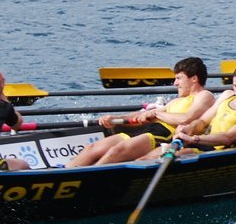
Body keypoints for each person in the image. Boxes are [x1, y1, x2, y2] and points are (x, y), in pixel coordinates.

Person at [68, 57, 217, 166]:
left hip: (165, 134)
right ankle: (66, 173)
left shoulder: (205, 96)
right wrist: (116, 118)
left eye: (178, 78)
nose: (175, 83)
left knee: (116, 151)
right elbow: (141, 117)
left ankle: (89, 180)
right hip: (148, 128)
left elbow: (186, 118)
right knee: (92, 148)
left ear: (194, 79)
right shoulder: (176, 101)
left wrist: (157, 113)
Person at [170, 64, 236, 153]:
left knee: (182, 153)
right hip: (204, 144)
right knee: (162, 150)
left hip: (221, 153)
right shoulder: (227, 95)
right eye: (235, 86)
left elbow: (228, 138)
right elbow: (203, 121)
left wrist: (192, 139)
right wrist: (190, 128)